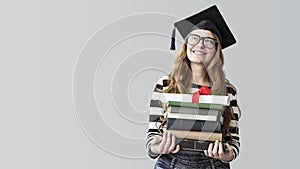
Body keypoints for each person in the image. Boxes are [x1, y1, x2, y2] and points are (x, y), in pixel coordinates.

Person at [146, 5, 241, 169]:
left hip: (213, 164)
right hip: (170, 163)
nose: (200, 45)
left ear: (217, 50)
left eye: (209, 41)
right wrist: (157, 147)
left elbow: (233, 141)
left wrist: (226, 154)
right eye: (194, 38)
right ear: (186, 45)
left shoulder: (227, 91)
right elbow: (152, 137)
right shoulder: (165, 85)